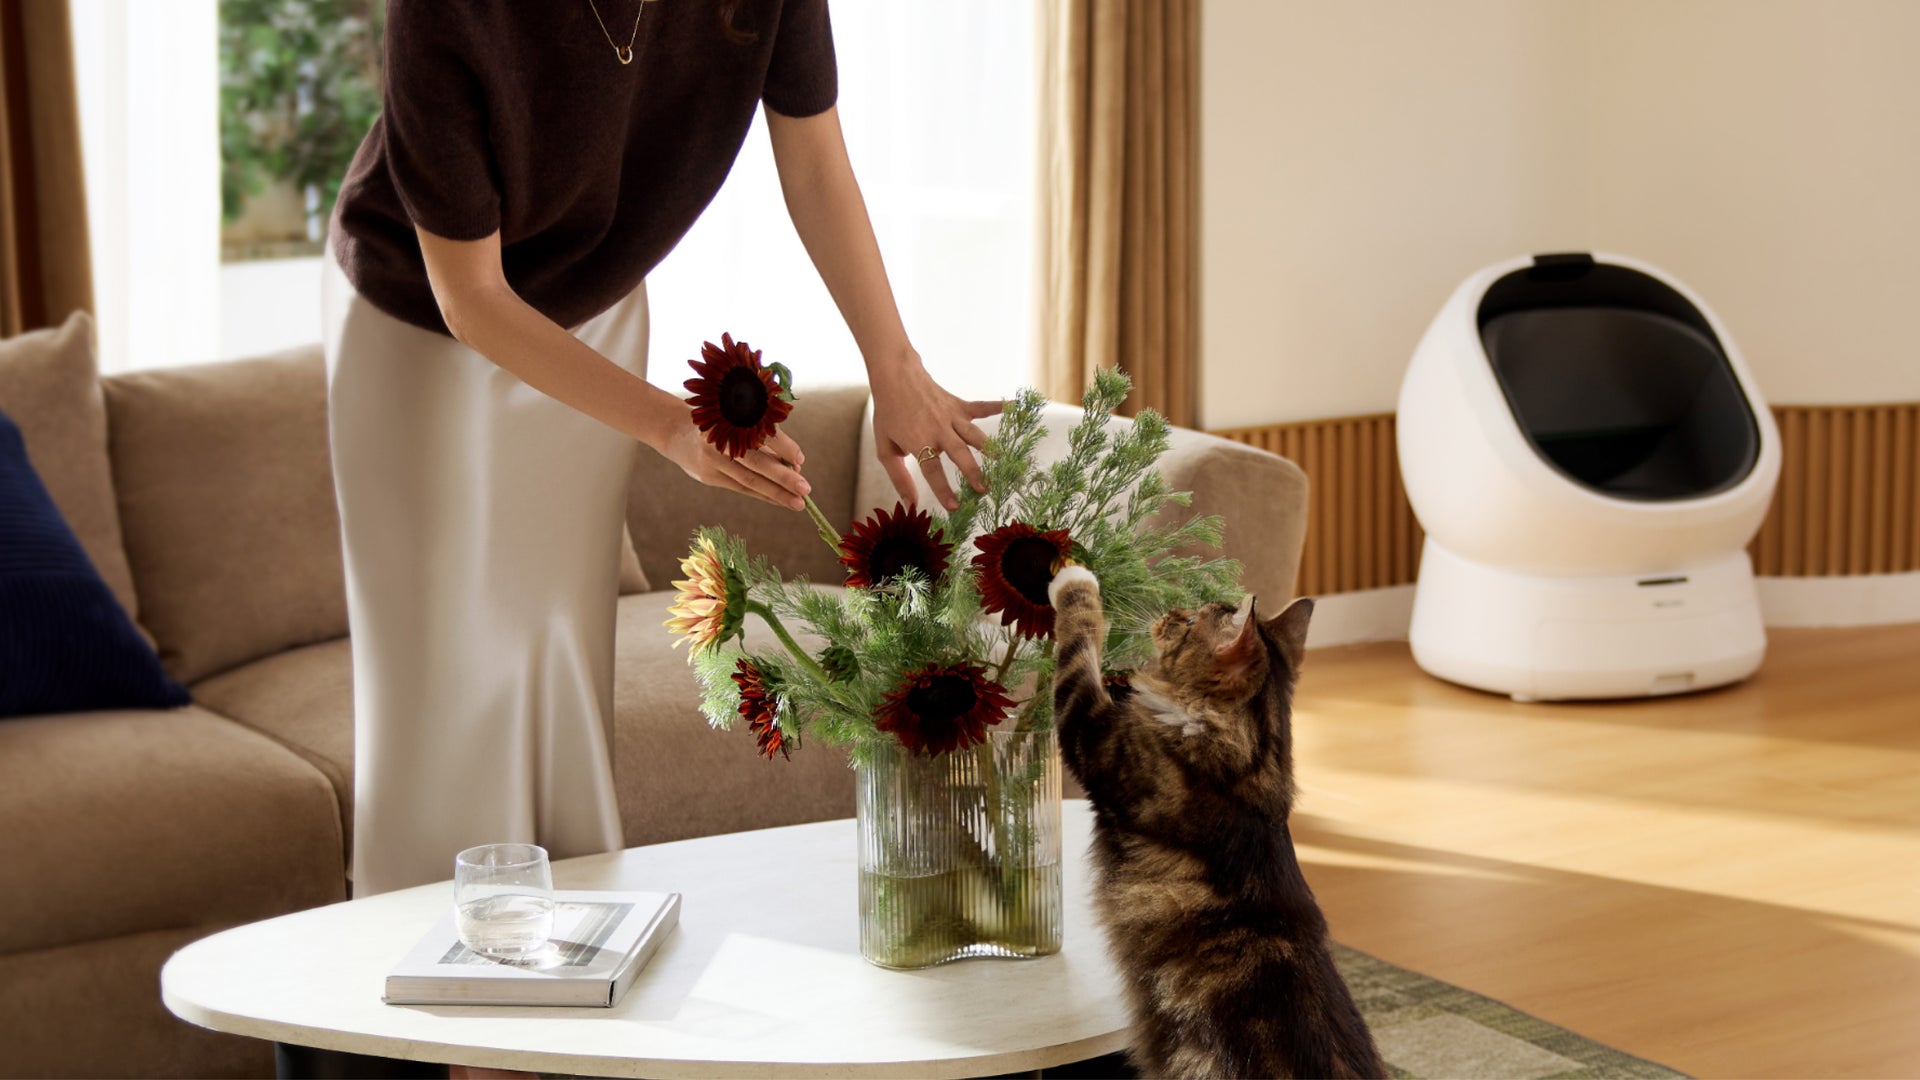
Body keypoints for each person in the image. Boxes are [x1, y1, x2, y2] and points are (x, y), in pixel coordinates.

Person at [323, 0, 998, 897]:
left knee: (558, 661)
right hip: (422, 334)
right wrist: (668, 426)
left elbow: (815, 161)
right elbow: (471, 297)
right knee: (444, 706)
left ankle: (566, 991)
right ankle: (436, 1020)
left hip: (595, 315)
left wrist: (895, 366)